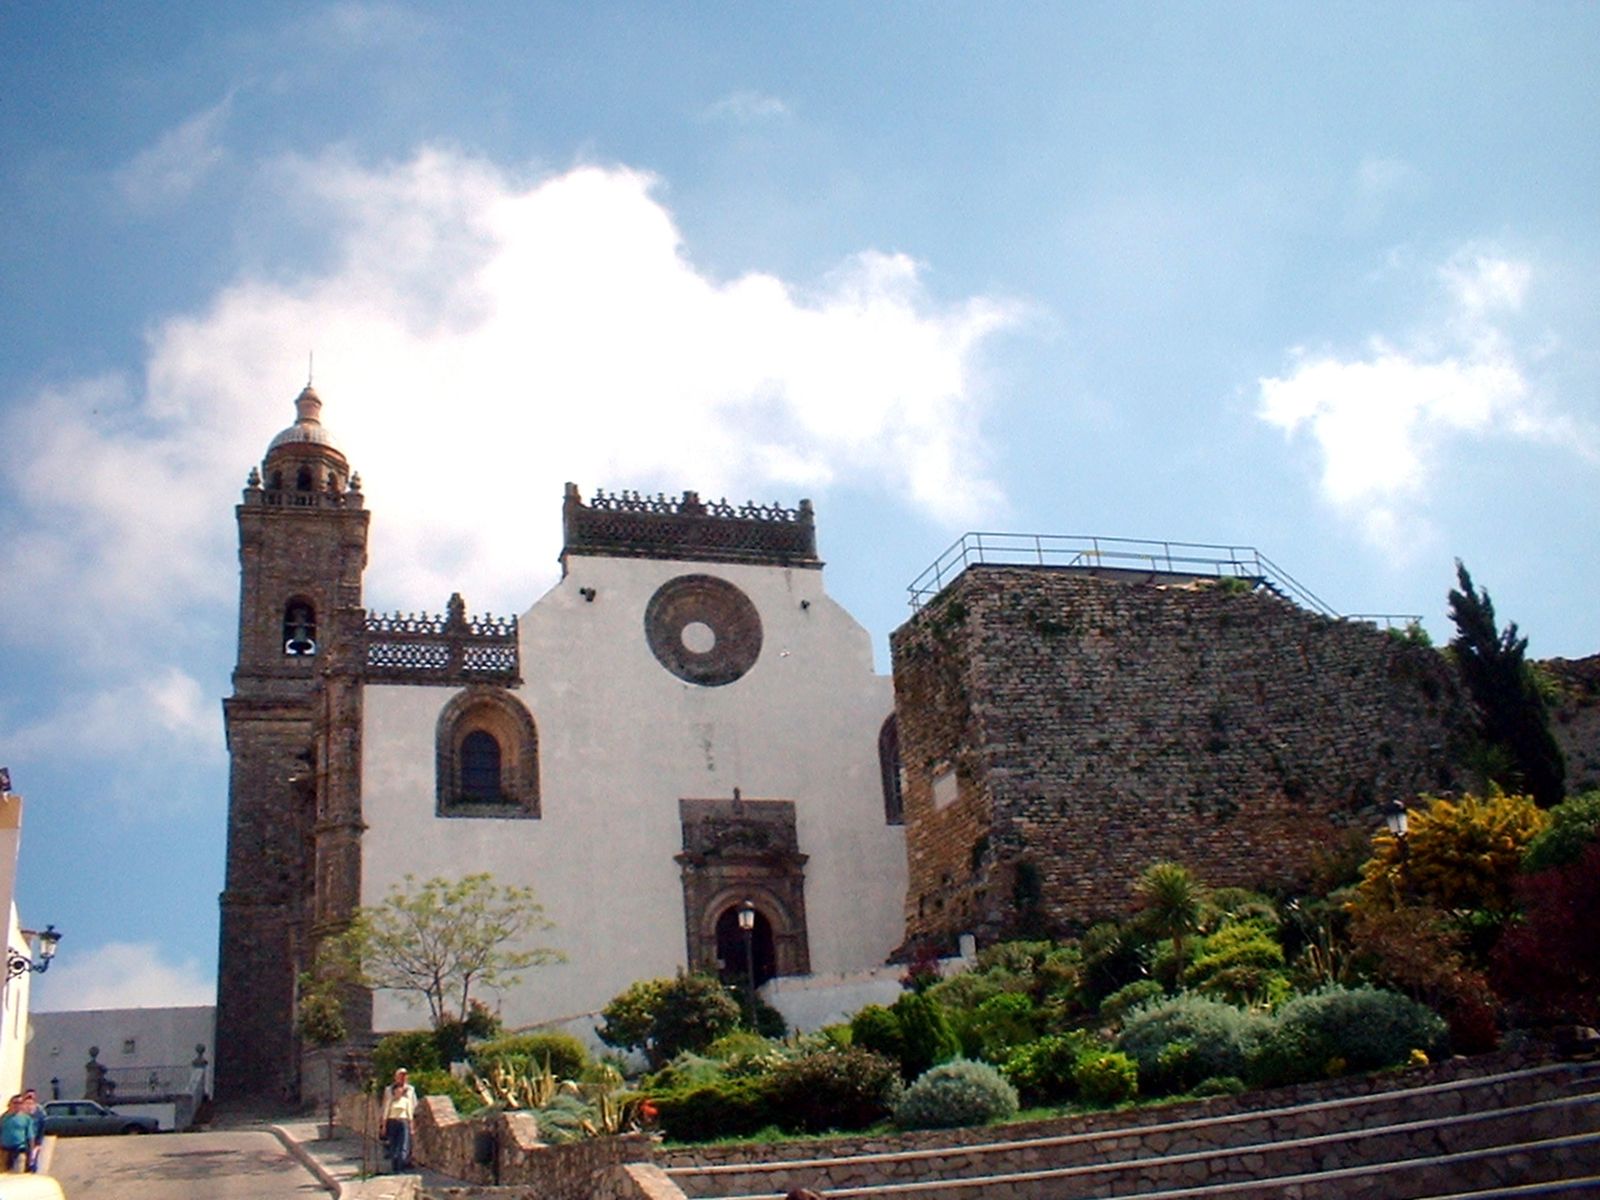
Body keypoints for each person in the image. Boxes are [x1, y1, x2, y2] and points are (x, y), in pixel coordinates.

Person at [379, 1068, 417, 1173]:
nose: (403, 1078)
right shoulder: (389, 1090)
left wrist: (411, 1122)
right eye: (400, 1075)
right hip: (392, 1120)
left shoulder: (410, 1089)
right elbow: (385, 1106)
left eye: (404, 1075)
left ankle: (404, 1163)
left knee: (404, 1144)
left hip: (405, 1118)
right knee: (394, 1144)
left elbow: (413, 1103)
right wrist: (383, 1124)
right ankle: (396, 1165)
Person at [1, 1096, 30, 1172]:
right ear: (10, 1104)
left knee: (18, 1173)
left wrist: (31, 1153)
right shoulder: (3, 1118)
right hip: (5, 1151)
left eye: (20, 1103)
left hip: (19, 1150)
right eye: (15, 1103)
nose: (17, 1105)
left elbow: (30, 1136)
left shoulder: (26, 1118)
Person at [21, 1090, 42, 1172]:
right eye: (28, 1096)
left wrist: (39, 1142)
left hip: (34, 1141)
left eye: (32, 1096)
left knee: (32, 1161)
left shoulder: (39, 1112)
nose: (30, 1098)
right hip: (22, 1142)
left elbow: (41, 1127)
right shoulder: (20, 1112)